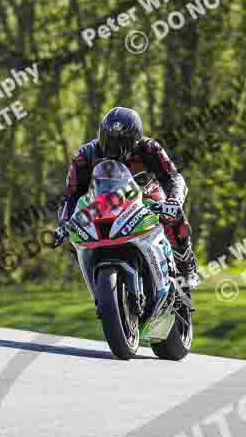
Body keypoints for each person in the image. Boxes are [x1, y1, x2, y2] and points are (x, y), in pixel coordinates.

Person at [55, 107, 200, 306]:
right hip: (103, 203)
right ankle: (99, 282)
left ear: (136, 138)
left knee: (173, 216)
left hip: (147, 195)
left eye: (121, 141)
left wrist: (174, 201)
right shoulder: (85, 155)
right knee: (74, 233)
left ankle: (186, 265)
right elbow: (70, 195)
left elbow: (173, 178)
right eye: (109, 139)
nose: (115, 148)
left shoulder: (150, 148)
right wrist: (64, 223)